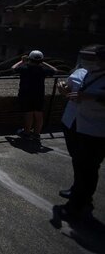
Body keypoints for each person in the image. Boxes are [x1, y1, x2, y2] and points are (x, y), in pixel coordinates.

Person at [58, 45, 105, 222]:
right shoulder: (85, 73)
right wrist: (65, 91)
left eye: (99, 59)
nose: (95, 62)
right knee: (78, 161)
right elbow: (72, 93)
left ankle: (79, 203)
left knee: (89, 167)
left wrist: (91, 97)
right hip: (74, 123)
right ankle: (77, 191)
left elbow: (89, 96)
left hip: (96, 130)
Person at [56, 54, 88, 199]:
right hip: (71, 120)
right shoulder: (79, 72)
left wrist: (88, 97)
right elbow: (68, 90)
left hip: (93, 126)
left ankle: (82, 195)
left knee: (87, 162)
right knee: (77, 158)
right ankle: (78, 188)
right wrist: (63, 90)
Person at [12, 50, 57, 141]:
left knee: (28, 114)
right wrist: (43, 62)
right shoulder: (43, 70)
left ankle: (27, 132)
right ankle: (37, 134)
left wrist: (22, 61)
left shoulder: (25, 68)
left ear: (30, 59)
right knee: (39, 114)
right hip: (39, 95)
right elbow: (55, 70)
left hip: (26, 95)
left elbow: (13, 68)